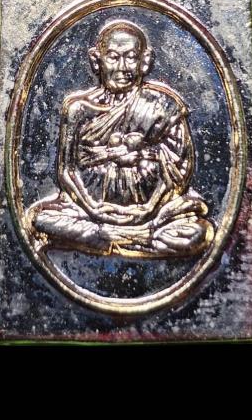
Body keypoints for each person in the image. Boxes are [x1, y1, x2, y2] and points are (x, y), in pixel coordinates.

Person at [26, 20, 214, 257]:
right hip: (86, 210)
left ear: (144, 61)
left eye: (131, 58)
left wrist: (148, 209)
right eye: (114, 57)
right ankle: (131, 238)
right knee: (39, 220)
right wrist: (94, 209)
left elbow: (178, 172)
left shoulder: (164, 107)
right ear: (97, 60)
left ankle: (107, 238)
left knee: (199, 232)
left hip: (153, 214)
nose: (123, 67)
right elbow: (66, 171)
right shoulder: (78, 109)